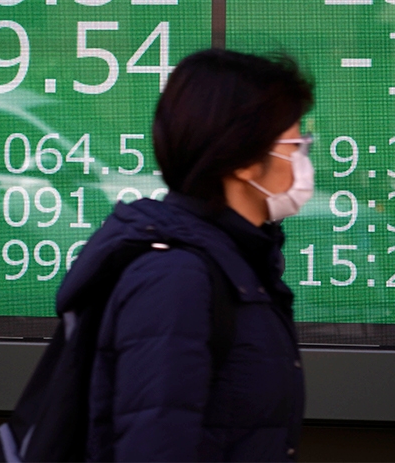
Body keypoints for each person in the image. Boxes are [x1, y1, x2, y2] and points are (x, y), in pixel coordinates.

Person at [56, 48, 315, 461]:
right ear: (245, 160)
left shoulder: (236, 262)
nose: (304, 161)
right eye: (296, 144)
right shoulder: (177, 279)